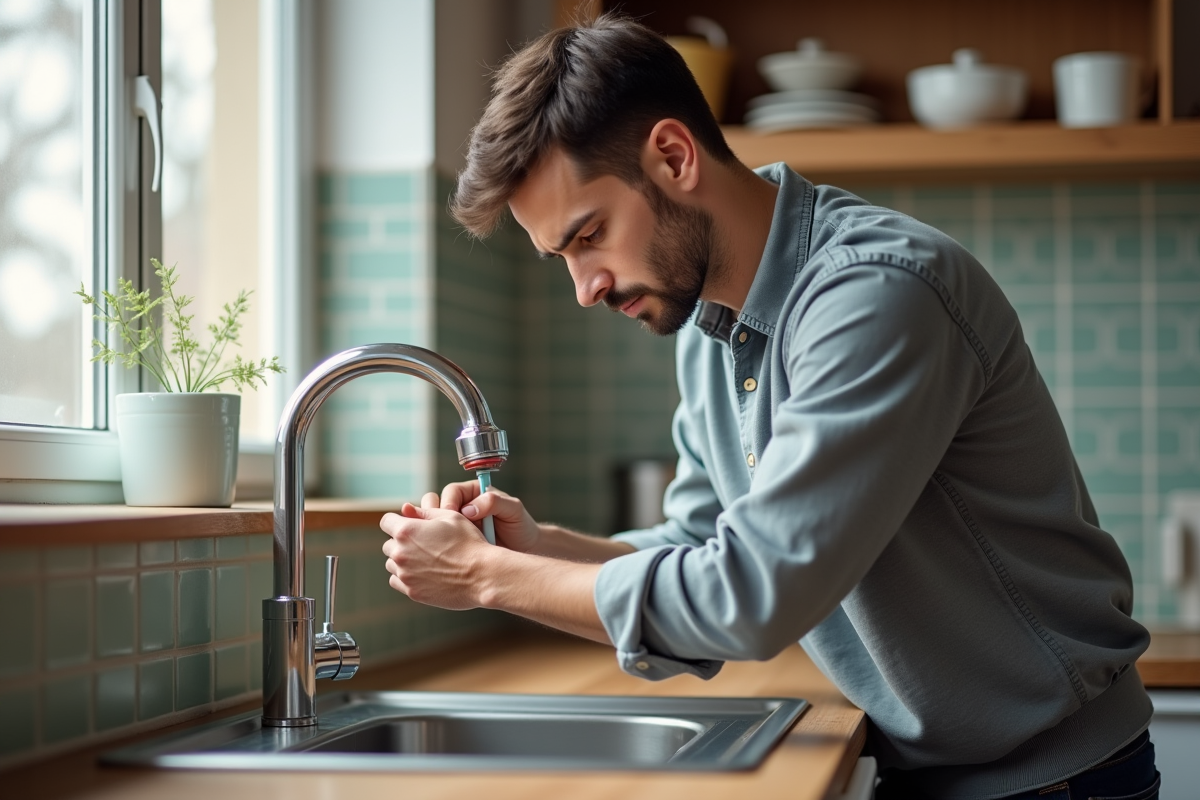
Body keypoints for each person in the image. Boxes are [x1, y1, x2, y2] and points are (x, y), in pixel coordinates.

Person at [379, 14, 1159, 800]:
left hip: (1057, 779)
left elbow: (749, 598)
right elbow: (697, 542)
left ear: (674, 157)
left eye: (590, 236)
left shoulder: (874, 296)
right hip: (940, 768)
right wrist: (538, 548)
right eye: (563, 258)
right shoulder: (709, 324)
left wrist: (485, 577)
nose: (586, 289)